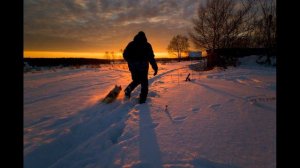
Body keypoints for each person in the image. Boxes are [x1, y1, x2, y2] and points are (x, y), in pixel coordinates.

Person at [123, 31, 158, 104]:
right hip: (143, 67)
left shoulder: (131, 44)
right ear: (145, 37)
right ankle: (142, 100)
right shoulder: (147, 45)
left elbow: (125, 55)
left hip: (133, 67)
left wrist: (131, 61)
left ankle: (128, 90)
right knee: (144, 82)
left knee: (136, 80)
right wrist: (155, 67)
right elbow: (151, 58)